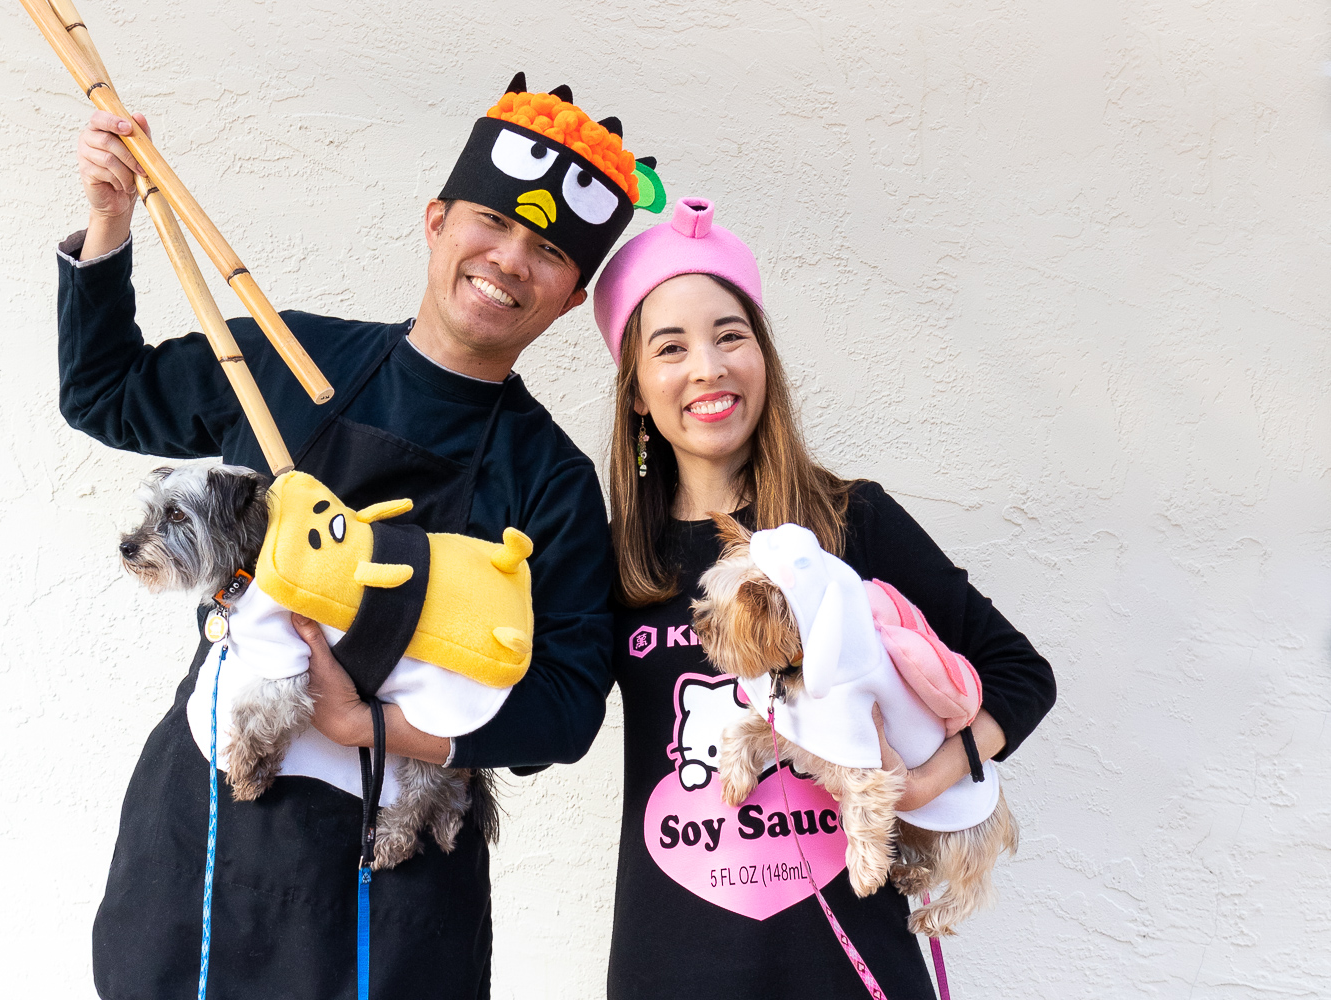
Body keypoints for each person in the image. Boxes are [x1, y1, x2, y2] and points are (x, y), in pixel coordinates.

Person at [59, 75, 650, 998]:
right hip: (207, 823)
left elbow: (565, 715)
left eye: (546, 251)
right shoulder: (287, 363)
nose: (508, 260)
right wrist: (108, 221)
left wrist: (371, 724)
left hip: (401, 864)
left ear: (572, 298)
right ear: (435, 218)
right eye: (490, 223)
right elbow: (102, 393)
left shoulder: (554, 483)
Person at [591, 198, 1057, 999]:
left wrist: (928, 781)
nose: (707, 367)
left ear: (762, 357)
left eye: (730, 335)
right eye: (670, 347)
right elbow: (537, 723)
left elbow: (1021, 675)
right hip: (673, 962)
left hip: (850, 963)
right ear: (637, 390)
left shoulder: (851, 520)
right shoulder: (616, 563)